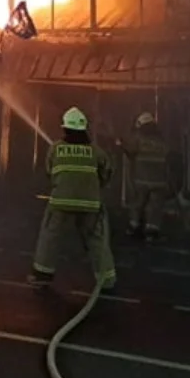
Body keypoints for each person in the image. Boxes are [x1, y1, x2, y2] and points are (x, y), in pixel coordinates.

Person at [28, 106, 117, 291]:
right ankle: (106, 280)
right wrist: (95, 187)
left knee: (49, 236)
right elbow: (107, 172)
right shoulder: (96, 151)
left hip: (61, 201)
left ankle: (42, 275)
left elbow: (49, 172)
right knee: (97, 240)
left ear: (65, 128)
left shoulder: (55, 148)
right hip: (90, 204)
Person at [119, 112, 171, 241]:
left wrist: (121, 144)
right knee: (155, 206)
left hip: (141, 179)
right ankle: (151, 231)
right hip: (159, 180)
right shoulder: (161, 139)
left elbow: (130, 150)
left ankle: (134, 226)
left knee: (138, 203)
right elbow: (169, 154)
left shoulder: (138, 137)